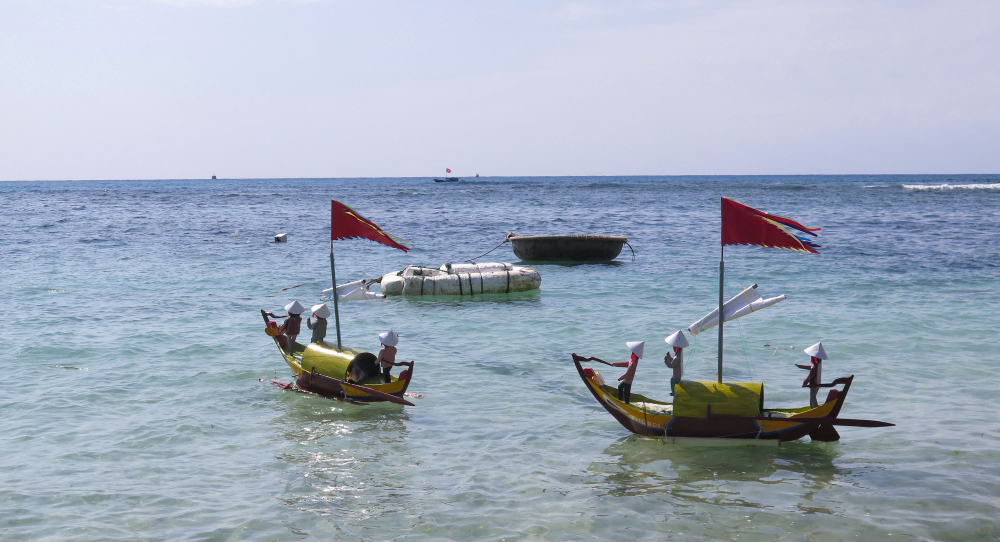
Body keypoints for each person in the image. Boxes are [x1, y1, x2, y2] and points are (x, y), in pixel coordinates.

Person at [796, 342, 828, 408]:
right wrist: (801, 366)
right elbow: (811, 367)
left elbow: (810, 376)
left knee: (812, 399)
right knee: (813, 398)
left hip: (814, 385)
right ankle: (814, 409)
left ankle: (815, 409)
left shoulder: (814, 367)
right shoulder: (818, 365)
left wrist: (805, 383)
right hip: (818, 384)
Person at [663, 330, 689, 396]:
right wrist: (669, 357)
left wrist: (666, 360)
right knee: (672, 380)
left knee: (672, 381)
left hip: (676, 376)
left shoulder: (677, 357)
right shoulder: (678, 355)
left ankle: (673, 392)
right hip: (677, 375)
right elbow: (673, 361)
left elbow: (671, 365)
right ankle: (673, 392)